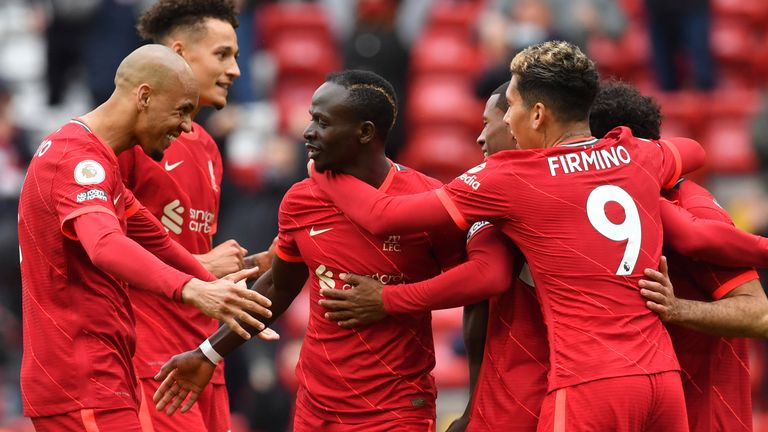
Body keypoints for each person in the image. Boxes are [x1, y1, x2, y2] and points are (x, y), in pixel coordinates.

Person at [301, 41, 710, 430]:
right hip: (661, 375)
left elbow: (383, 215)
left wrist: (322, 173)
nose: (504, 123)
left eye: (509, 107)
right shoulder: (635, 154)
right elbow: (693, 150)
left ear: (536, 115)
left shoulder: (513, 176)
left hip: (589, 380)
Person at [152, 70, 466, 431]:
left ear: (365, 132)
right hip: (317, 407)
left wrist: (393, 298)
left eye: (323, 122)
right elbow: (278, 287)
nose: (307, 132)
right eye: (310, 118)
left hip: (395, 409)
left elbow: (474, 286)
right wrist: (208, 352)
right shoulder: (301, 199)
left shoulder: (425, 200)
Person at [17, 44, 273, 431]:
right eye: (182, 110)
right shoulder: (77, 159)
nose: (187, 126)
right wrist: (192, 290)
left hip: (103, 376)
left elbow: (157, 241)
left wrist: (222, 293)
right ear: (145, 96)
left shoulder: (102, 162)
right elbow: (105, 245)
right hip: (81, 378)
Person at [120, 2, 270, 430]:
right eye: (223, 55)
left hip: (203, 356)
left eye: (237, 57)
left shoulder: (205, 145)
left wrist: (252, 269)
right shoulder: (127, 137)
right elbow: (99, 248)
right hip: (151, 360)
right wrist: (200, 267)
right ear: (181, 54)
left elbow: (188, 252)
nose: (236, 70)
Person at [592, 80, 768, 431]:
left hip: (704, 416)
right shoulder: (597, 210)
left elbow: (761, 314)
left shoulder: (692, 206)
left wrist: (677, 309)